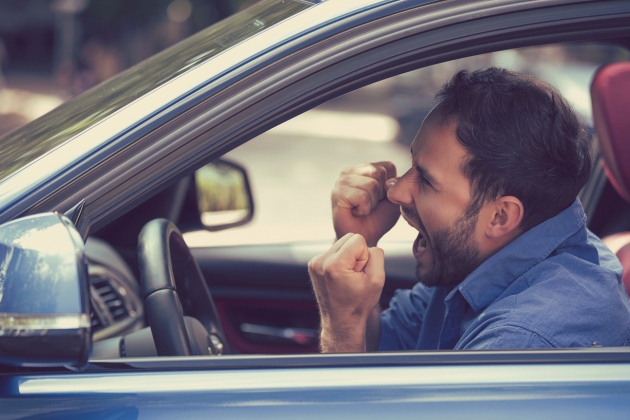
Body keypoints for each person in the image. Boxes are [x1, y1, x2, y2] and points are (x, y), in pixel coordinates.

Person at [308, 67, 630, 353]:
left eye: (428, 180)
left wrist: (343, 326)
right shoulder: (482, 252)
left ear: (500, 216)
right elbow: (391, 343)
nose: (395, 190)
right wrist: (357, 242)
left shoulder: (524, 340)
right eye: (412, 164)